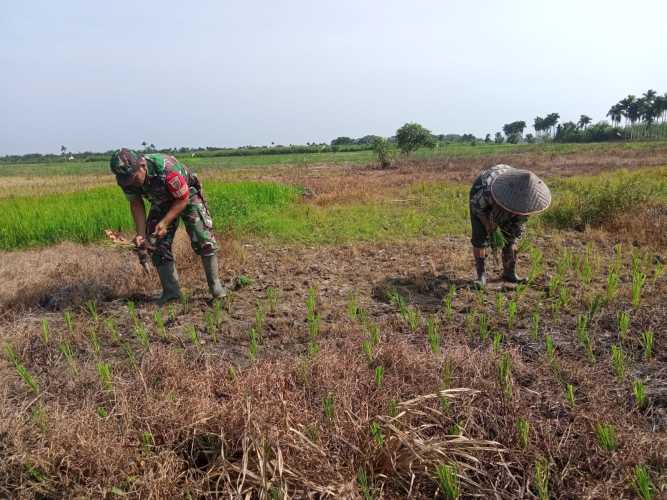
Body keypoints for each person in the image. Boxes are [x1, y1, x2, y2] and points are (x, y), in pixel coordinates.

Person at [110, 148, 226, 303]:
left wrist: (165, 222)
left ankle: (215, 286)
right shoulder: (126, 178)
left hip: (187, 196)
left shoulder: (167, 169)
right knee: (154, 242)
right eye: (126, 180)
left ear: (142, 166)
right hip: (161, 201)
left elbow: (182, 199)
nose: (131, 182)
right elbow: (136, 203)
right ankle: (171, 292)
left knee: (202, 237)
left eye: (133, 177)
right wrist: (141, 234)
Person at [469, 164, 551, 288]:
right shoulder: (485, 190)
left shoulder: (528, 199)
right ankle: (481, 276)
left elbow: (518, 223)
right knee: (480, 238)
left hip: (508, 197)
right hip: (481, 203)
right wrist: (489, 225)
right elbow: (477, 207)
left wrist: (512, 232)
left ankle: (509, 273)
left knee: (510, 239)